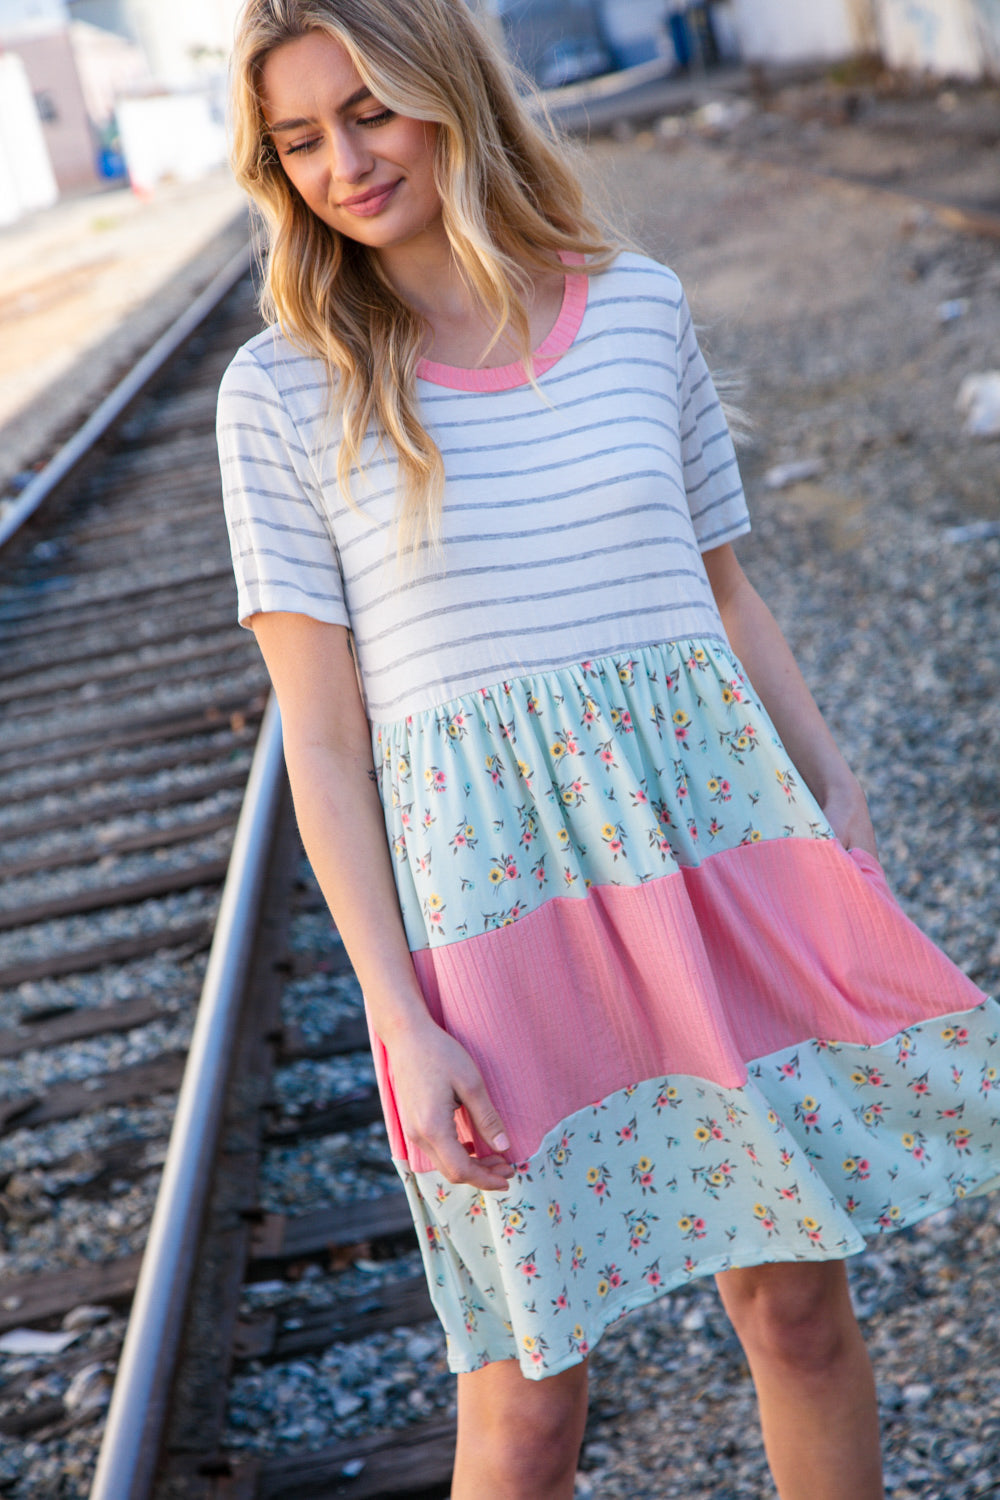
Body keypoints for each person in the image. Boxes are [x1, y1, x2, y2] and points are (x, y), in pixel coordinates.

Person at [218, 3, 1000, 1496]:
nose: (342, 163)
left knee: (801, 1316)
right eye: (300, 140)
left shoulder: (635, 306)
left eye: (367, 112)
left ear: (447, 95)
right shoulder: (283, 393)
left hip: (723, 855)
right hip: (499, 920)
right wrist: (402, 1014)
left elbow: (722, 586)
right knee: (528, 1404)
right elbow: (321, 745)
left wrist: (829, 785)